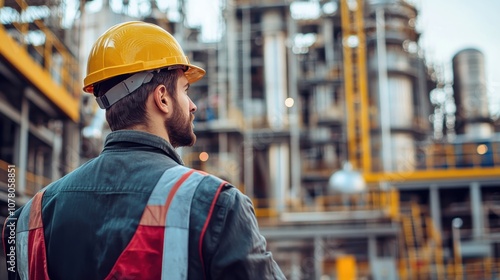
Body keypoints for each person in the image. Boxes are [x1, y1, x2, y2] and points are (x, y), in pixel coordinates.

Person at [3, 21, 286, 280]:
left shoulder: (29, 217)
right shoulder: (214, 205)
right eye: (185, 90)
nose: (193, 105)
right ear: (162, 97)